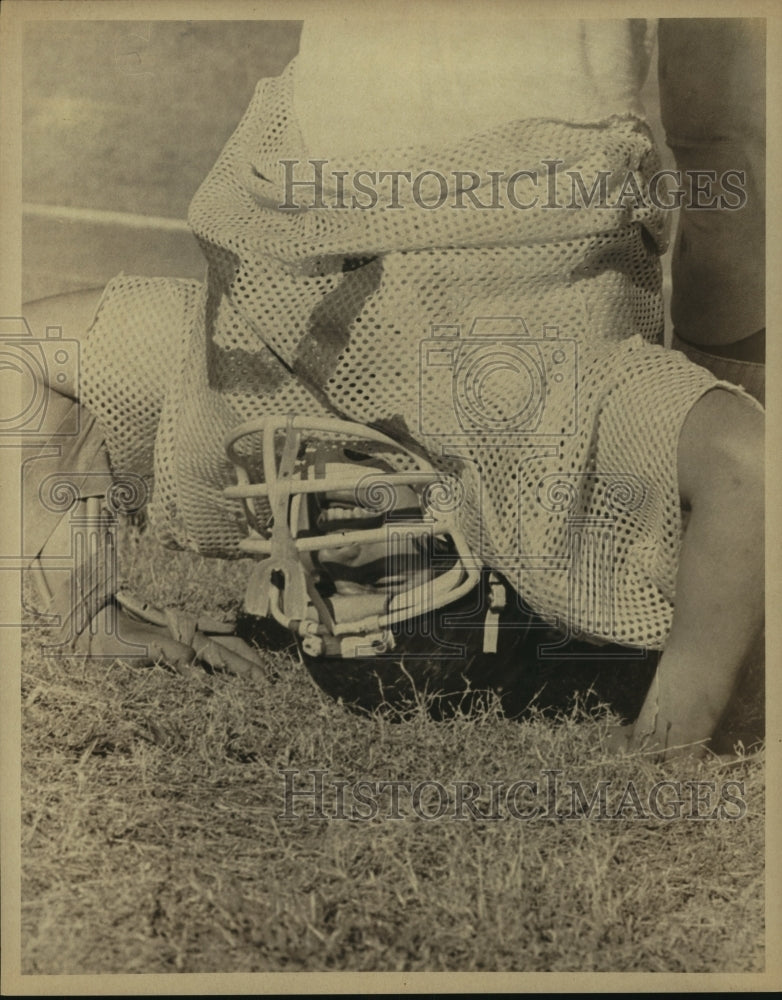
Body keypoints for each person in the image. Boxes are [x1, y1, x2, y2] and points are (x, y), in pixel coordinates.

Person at [23, 17, 764, 759]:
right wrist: (673, 738)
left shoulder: (254, 394)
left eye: (325, 571)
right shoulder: (541, 422)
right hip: (444, 253)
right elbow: (748, 461)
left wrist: (86, 614)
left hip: (339, 249)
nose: (329, 538)